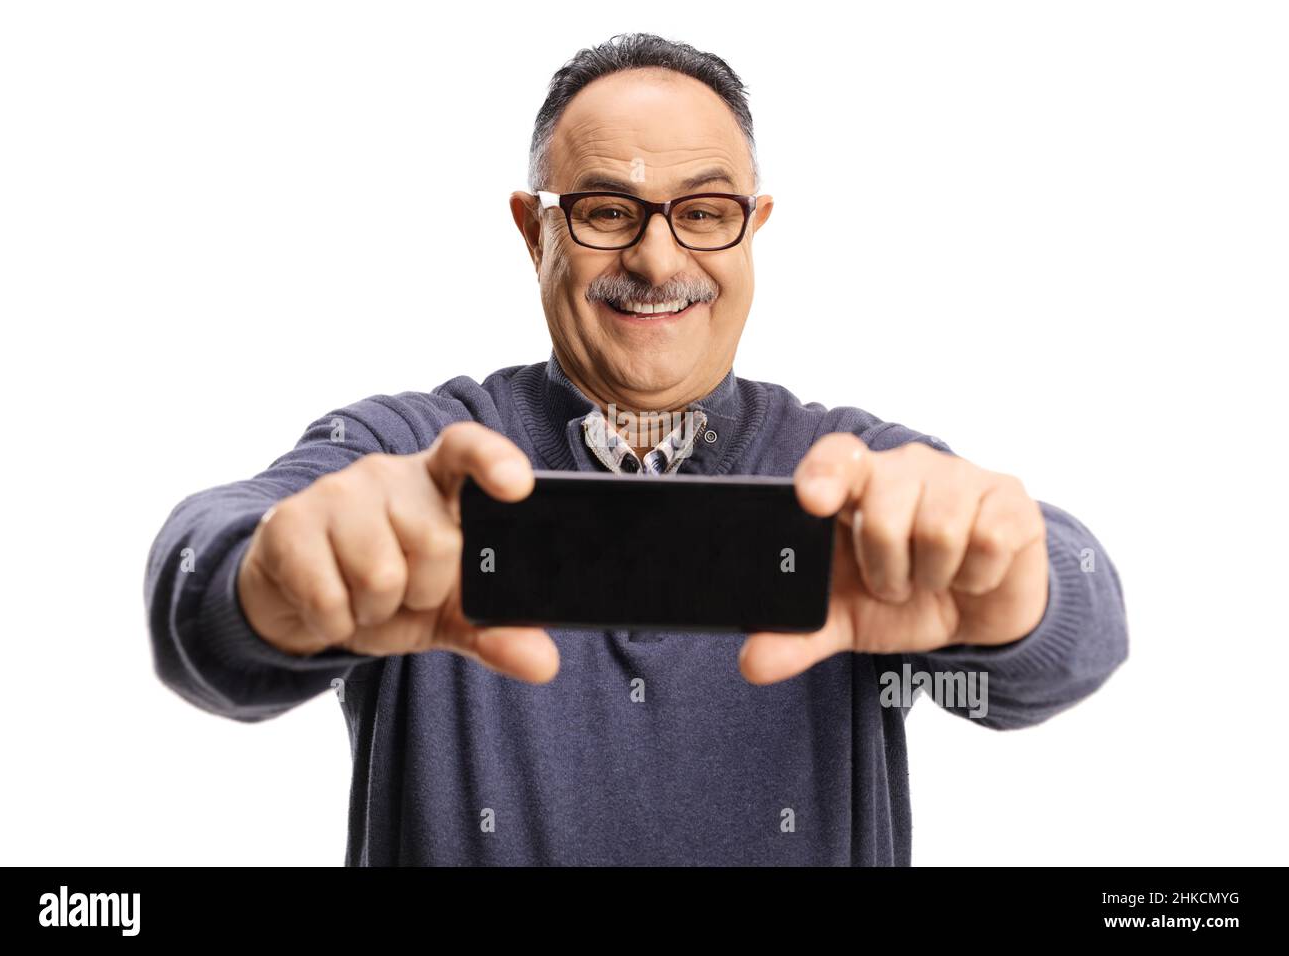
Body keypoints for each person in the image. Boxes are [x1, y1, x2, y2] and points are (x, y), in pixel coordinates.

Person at [144, 32, 1128, 865]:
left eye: (704, 212)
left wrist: (1019, 596)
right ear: (535, 233)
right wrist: (266, 582)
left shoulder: (853, 469)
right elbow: (201, 578)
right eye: (608, 210)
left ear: (754, 232)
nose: (659, 259)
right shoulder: (413, 455)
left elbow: (1082, 626)